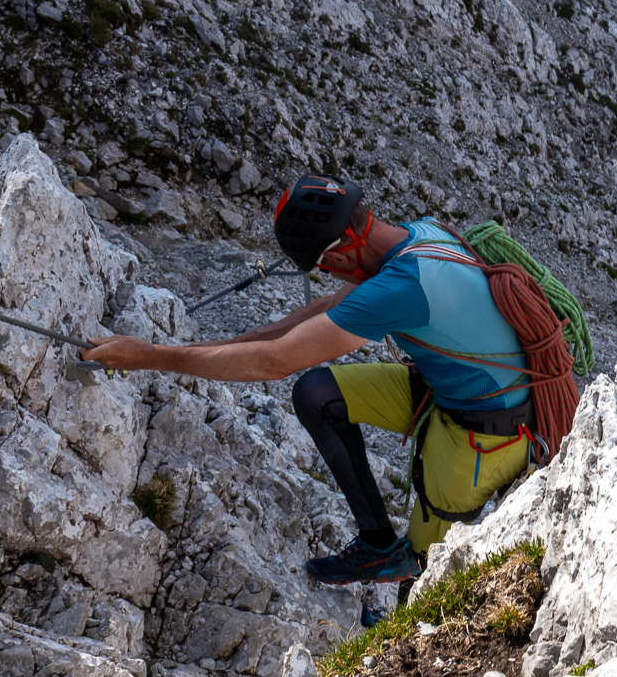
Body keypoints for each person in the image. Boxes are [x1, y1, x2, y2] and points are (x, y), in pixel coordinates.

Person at [80, 174, 535, 585]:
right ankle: (376, 542)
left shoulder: (400, 287)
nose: (326, 276)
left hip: (484, 433)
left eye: (324, 266)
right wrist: (228, 342)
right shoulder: (416, 236)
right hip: (453, 391)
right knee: (318, 394)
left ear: (341, 251)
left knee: (421, 569)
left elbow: (274, 363)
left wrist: (153, 357)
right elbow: (312, 318)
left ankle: (397, 610)